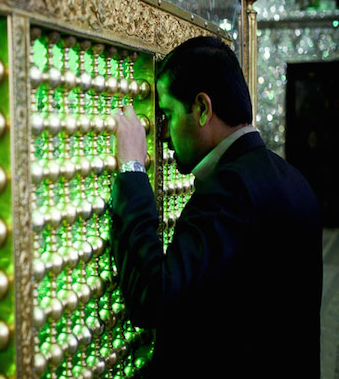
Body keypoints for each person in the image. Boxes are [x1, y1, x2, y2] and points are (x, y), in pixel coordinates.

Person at [110, 36, 322, 378]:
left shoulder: (231, 190)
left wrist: (132, 169)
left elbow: (154, 297)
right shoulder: (291, 178)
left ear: (202, 108)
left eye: (167, 114)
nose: (162, 135)